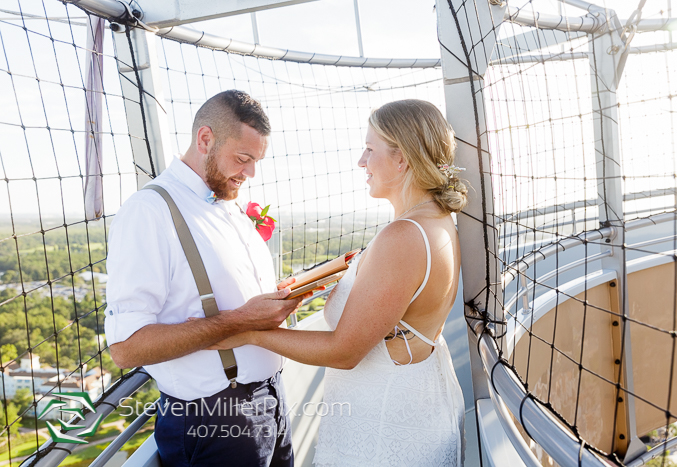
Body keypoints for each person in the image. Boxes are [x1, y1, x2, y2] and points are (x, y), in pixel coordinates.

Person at [209, 99, 468, 466]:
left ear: (402, 159)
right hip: (412, 408)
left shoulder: (405, 236)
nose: (361, 161)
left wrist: (247, 332)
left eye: (370, 149)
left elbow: (344, 352)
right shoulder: (435, 221)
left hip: (382, 432)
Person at [104, 90, 310, 467]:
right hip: (213, 421)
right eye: (243, 158)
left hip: (271, 403)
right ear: (205, 139)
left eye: (255, 161)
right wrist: (242, 320)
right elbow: (126, 348)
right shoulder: (148, 212)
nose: (249, 173)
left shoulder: (228, 205)